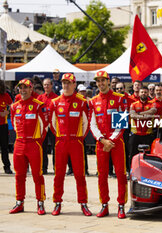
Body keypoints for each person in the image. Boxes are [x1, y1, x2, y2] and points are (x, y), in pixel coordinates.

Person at [49, 73, 92, 216]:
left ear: (74, 85)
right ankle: (57, 203)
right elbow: (52, 123)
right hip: (61, 142)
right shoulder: (55, 102)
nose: (66, 85)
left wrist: (78, 138)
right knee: (59, 174)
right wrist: (61, 137)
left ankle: (83, 203)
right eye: (63, 83)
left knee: (80, 175)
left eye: (69, 83)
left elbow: (86, 123)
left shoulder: (81, 102)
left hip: (76, 142)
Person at [89, 70, 128, 219]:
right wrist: (102, 140)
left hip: (117, 143)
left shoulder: (119, 98)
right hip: (101, 144)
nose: (100, 83)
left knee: (120, 174)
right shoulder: (93, 101)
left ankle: (121, 205)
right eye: (98, 81)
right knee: (102, 176)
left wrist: (110, 140)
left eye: (103, 80)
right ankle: (104, 205)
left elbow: (122, 123)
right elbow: (92, 124)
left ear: (108, 81)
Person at [9, 79, 47, 215]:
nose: (23, 90)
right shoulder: (14, 106)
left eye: (26, 88)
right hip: (19, 144)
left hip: (34, 144)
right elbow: (14, 124)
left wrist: (36, 141)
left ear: (31, 89)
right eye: (21, 88)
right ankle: (19, 202)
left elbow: (44, 126)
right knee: (19, 175)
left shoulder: (38, 105)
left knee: (37, 175)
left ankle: (40, 202)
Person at [129, 86, 157, 164]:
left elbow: (152, 112)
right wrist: (145, 116)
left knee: (148, 155)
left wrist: (138, 114)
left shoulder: (152, 104)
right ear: (139, 93)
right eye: (142, 92)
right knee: (132, 155)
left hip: (147, 134)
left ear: (148, 93)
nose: (143, 94)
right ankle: (131, 172)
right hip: (135, 134)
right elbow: (132, 115)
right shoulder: (134, 104)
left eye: (145, 92)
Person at [37, 78, 58, 174]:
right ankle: (43, 168)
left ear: (52, 85)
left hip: (53, 126)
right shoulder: (40, 98)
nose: (46, 86)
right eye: (44, 85)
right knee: (43, 147)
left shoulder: (56, 97)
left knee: (55, 148)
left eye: (48, 85)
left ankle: (56, 168)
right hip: (43, 126)